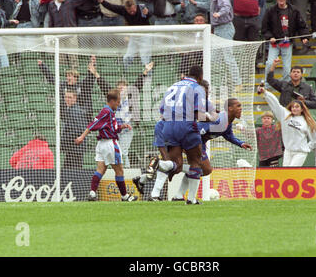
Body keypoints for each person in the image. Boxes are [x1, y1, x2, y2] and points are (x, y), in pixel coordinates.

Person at [170, 98, 252, 202]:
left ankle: (178, 195)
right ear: (230, 108)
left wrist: (241, 143)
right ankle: (171, 167)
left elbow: (228, 135)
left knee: (201, 170)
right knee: (205, 169)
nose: (241, 108)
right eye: (238, 106)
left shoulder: (227, 121)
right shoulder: (218, 120)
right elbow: (197, 130)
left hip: (197, 141)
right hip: (190, 139)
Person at [155, 65, 207, 204]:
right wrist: (212, 118)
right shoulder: (198, 88)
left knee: (177, 164)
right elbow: (199, 114)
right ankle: (191, 199)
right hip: (186, 126)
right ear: (200, 77)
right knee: (195, 162)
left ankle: (164, 165)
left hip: (168, 126)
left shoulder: (172, 87)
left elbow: (161, 109)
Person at [76, 89, 137, 202]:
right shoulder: (106, 111)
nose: (118, 104)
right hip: (110, 144)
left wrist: (122, 126)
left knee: (101, 170)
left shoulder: (109, 112)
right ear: (112, 101)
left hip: (101, 144)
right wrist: (82, 137)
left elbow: (113, 128)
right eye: (118, 102)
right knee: (119, 171)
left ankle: (92, 193)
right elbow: (93, 124)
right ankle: (125, 196)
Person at [94, 62, 154, 168]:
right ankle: (117, 171)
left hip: (126, 129)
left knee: (123, 151)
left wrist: (145, 71)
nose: (121, 87)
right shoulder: (113, 98)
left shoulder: (131, 95)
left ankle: (126, 171)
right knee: (114, 152)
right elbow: (104, 86)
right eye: (119, 86)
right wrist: (96, 73)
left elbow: (138, 84)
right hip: (114, 129)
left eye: (123, 86)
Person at [258, 85, 316, 166]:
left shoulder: (307, 121)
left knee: (292, 171)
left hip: (300, 152)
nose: (294, 109)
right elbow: (276, 104)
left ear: (302, 109)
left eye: (297, 107)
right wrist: (266, 93)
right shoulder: (285, 115)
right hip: (288, 151)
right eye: (293, 107)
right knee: (286, 173)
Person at [262, 0, 310, 87]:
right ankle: (267, 85)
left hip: (287, 43)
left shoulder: (294, 10)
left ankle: (285, 85)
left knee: (287, 67)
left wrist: (304, 37)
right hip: (274, 43)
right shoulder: (270, 11)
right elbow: (264, 28)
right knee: (270, 63)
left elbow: (301, 25)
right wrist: (270, 37)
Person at [202, 0, 242, 91]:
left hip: (225, 28)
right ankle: (211, 84)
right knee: (214, 58)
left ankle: (238, 83)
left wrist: (219, 14)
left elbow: (227, 7)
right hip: (218, 29)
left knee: (228, 56)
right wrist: (196, 3)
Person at [94, 0, 152, 70]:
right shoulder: (123, 10)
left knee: (145, 58)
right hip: (134, 36)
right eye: (129, 10)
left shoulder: (142, 8)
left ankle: (148, 75)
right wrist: (101, 0)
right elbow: (111, 7)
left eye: (133, 10)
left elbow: (150, 15)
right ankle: (126, 74)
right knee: (127, 57)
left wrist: (147, 13)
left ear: (135, 6)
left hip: (145, 36)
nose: (131, 12)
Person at [38, 56, 99, 121]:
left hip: (81, 116)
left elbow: (90, 77)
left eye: (70, 76)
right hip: (67, 117)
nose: (68, 78)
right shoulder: (63, 85)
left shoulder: (82, 85)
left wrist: (93, 63)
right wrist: (42, 66)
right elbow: (51, 79)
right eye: (67, 76)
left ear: (75, 78)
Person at [61, 90, 88, 170]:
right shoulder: (72, 110)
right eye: (66, 97)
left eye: (70, 97)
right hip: (74, 149)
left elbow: (77, 130)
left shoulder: (74, 111)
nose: (67, 99)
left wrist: (63, 140)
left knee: (70, 172)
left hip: (74, 149)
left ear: (75, 98)